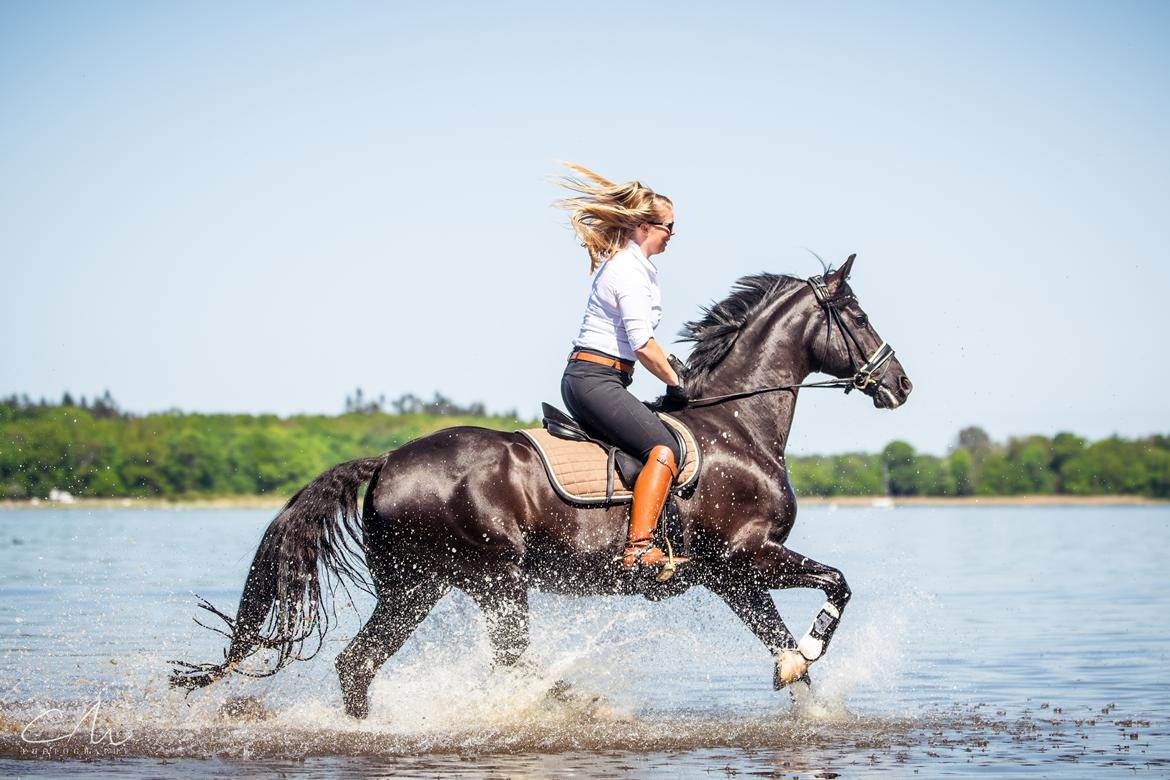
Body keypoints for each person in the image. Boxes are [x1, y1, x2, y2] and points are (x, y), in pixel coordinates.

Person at [554, 163, 689, 571]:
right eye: (669, 226)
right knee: (664, 450)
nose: (673, 234)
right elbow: (643, 345)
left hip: (603, 377)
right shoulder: (628, 271)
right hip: (595, 379)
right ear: (645, 227)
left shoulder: (637, 268)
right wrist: (676, 381)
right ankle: (639, 547)